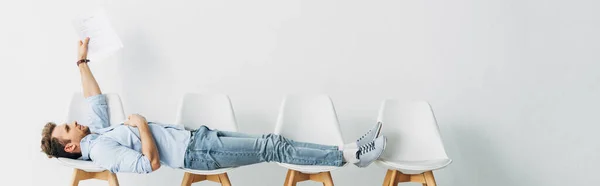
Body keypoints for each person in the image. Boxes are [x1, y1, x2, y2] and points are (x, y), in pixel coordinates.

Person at [40, 38, 387, 174]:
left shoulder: (97, 133)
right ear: (70, 145)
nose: (76, 121)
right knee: (271, 145)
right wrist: (142, 124)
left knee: (272, 143)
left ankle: (351, 150)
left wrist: (81, 63)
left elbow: (93, 98)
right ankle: (351, 155)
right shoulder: (101, 151)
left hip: (197, 138)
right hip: (196, 154)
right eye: (69, 126)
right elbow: (149, 165)